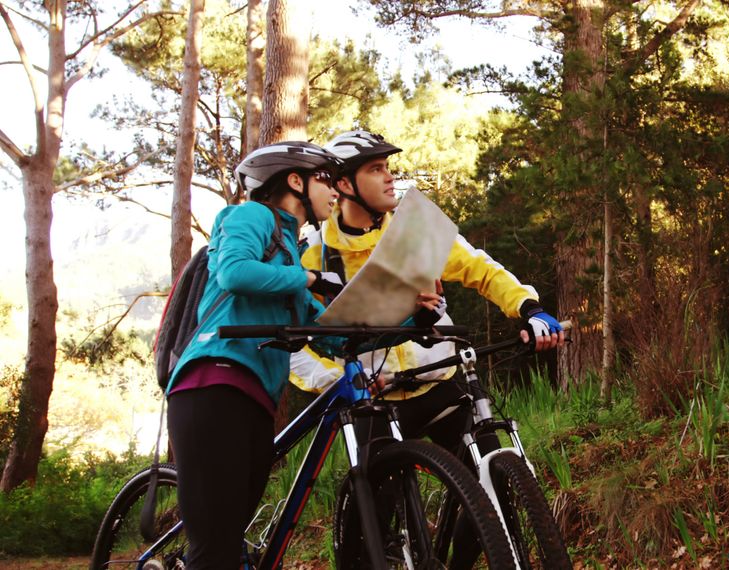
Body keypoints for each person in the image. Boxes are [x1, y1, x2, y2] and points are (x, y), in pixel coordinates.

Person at [289, 128, 564, 454]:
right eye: (376, 169)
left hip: (442, 381)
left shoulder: (416, 232)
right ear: (344, 184)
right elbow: (293, 346)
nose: (390, 177)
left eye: (388, 167)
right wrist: (338, 378)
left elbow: (481, 269)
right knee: (377, 503)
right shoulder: (312, 256)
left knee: (496, 483)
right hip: (373, 402)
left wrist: (528, 308)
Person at [165, 141, 345, 569]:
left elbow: (330, 332)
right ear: (295, 181)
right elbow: (233, 270)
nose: (335, 192)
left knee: (226, 540)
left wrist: (410, 317)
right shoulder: (250, 215)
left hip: (254, 400)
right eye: (326, 180)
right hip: (212, 384)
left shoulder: (288, 254)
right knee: (215, 552)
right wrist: (310, 275)